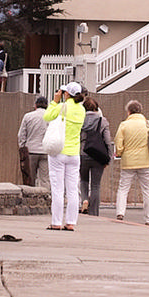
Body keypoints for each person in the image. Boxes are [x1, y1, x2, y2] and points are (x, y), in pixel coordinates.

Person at [44, 81, 86, 231]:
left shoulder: (62, 107)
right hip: (74, 153)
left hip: (59, 151)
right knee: (73, 189)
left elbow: (47, 116)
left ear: (66, 94)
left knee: (57, 188)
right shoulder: (82, 110)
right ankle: (71, 222)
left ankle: (56, 222)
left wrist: (55, 101)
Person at [113, 100, 149, 225]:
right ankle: (148, 219)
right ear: (140, 110)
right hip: (146, 162)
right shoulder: (148, 124)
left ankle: (120, 212)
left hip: (128, 162)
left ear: (128, 111)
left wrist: (120, 152)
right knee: (147, 190)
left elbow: (118, 144)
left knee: (123, 188)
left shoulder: (124, 125)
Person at [79, 96, 114, 216]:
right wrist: (108, 157)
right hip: (98, 156)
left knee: (83, 180)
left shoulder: (80, 119)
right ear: (96, 108)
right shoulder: (102, 121)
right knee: (95, 185)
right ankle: (93, 212)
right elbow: (107, 140)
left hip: (82, 154)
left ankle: (84, 200)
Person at [18, 95, 50, 188]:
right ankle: (46, 198)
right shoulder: (51, 117)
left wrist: (22, 147)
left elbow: (21, 134)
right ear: (47, 106)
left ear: (35, 105)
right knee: (45, 179)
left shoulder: (28, 116)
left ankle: (31, 199)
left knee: (30, 178)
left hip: (31, 151)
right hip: (46, 151)